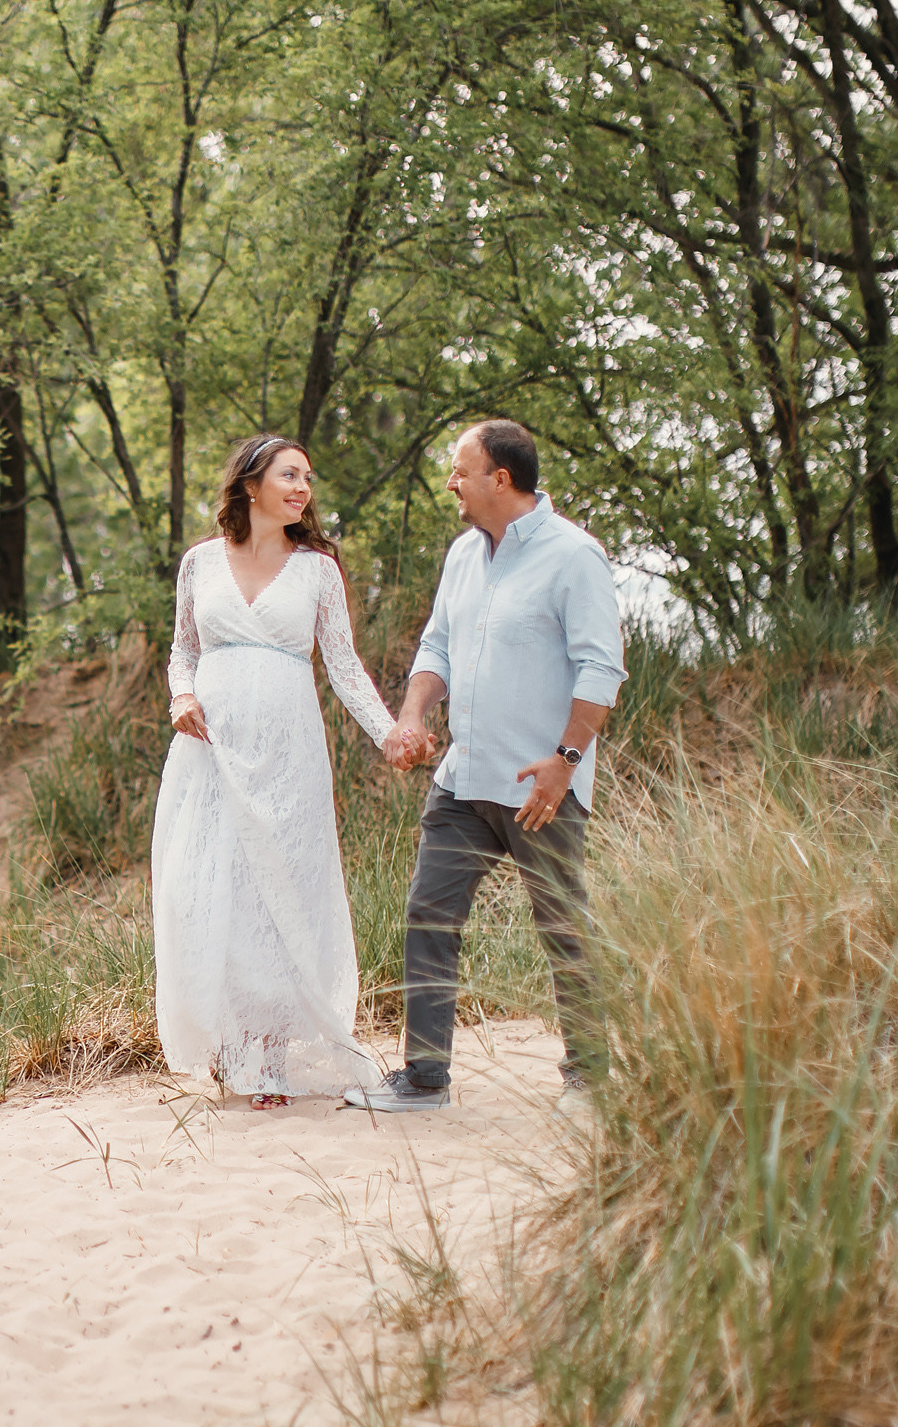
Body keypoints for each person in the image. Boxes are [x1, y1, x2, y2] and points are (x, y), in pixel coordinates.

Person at [346, 419, 627, 1114]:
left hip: (542, 788)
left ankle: (591, 1078)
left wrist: (566, 761)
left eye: (460, 470)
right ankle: (424, 1077)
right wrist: (412, 713)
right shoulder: (463, 556)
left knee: (564, 925)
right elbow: (436, 647)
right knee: (429, 913)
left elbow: (602, 666)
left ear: (500, 478)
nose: (451, 483)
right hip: (464, 781)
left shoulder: (575, 557)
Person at [153, 434, 395, 1110]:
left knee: (285, 887)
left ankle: (276, 1056)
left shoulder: (317, 569)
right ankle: (233, 1047)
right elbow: (183, 650)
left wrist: (388, 735)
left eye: (308, 479)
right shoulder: (200, 563)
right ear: (252, 483)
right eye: (290, 475)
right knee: (211, 885)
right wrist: (182, 695)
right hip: (212, 748)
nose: (303, 488)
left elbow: (344, 668)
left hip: (289, 750)